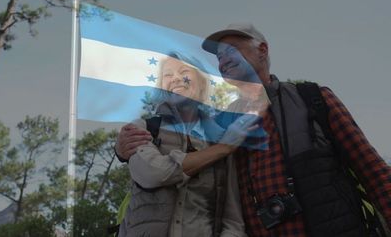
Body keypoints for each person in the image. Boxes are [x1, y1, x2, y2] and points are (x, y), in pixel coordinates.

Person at [117, 23, 391, 236]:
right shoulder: (219, 125)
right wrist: (121, 148)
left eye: (232, 51)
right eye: (220, 58)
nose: (224, 60)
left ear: (263, 50)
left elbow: (374, 172)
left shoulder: (312, 99)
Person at [117, 52, 253, 237]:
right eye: (168, 75)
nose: (176, 79)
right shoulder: (143, 128)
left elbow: (233, 222)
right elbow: (154, 174)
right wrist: (223, 149)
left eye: (184, 72)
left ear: (202, 83)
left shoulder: (219, 138)